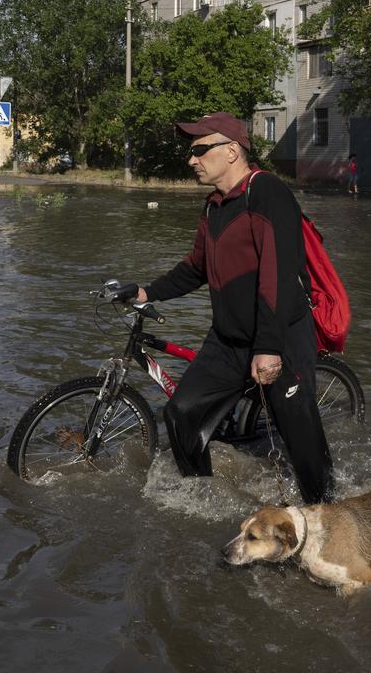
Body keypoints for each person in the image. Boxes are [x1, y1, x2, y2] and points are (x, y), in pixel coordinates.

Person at [135, 111, 334, 505]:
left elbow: (276, 276)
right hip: (228, 339)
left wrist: (269, 347)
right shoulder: (214, 206)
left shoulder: (267, 193)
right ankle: (204, 499)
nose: (191, 160)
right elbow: (197, 268)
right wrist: (146, 292)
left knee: (299, 438)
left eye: (199, 149)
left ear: (230, 151)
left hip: (280, 337)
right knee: (181, 413)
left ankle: (327, 513)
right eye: (190, 151)